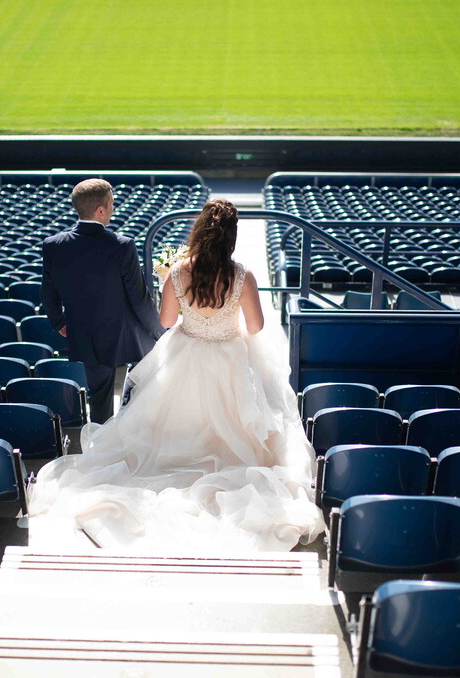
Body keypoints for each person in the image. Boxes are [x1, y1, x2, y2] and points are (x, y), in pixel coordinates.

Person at [31, 199, 325, 552]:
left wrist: (184, 304)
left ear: (199, 232)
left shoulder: (179, 271)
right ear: (231, 237)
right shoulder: (242, 275)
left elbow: (167, 321)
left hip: (186, 353)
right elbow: (256, 326)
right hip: (230, 354)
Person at [41, 179, 164, 423]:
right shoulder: (122, 245)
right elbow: (139, 298)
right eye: (112, 204)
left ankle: (101, 440)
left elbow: (48, 293)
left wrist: (59, 323)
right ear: (100, 210)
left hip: (84, 335)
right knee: (145, 380)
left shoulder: (53, 245)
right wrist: (157, 330)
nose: (113, 209)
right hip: (125, 335)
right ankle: (132, 429)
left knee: (99, 400)